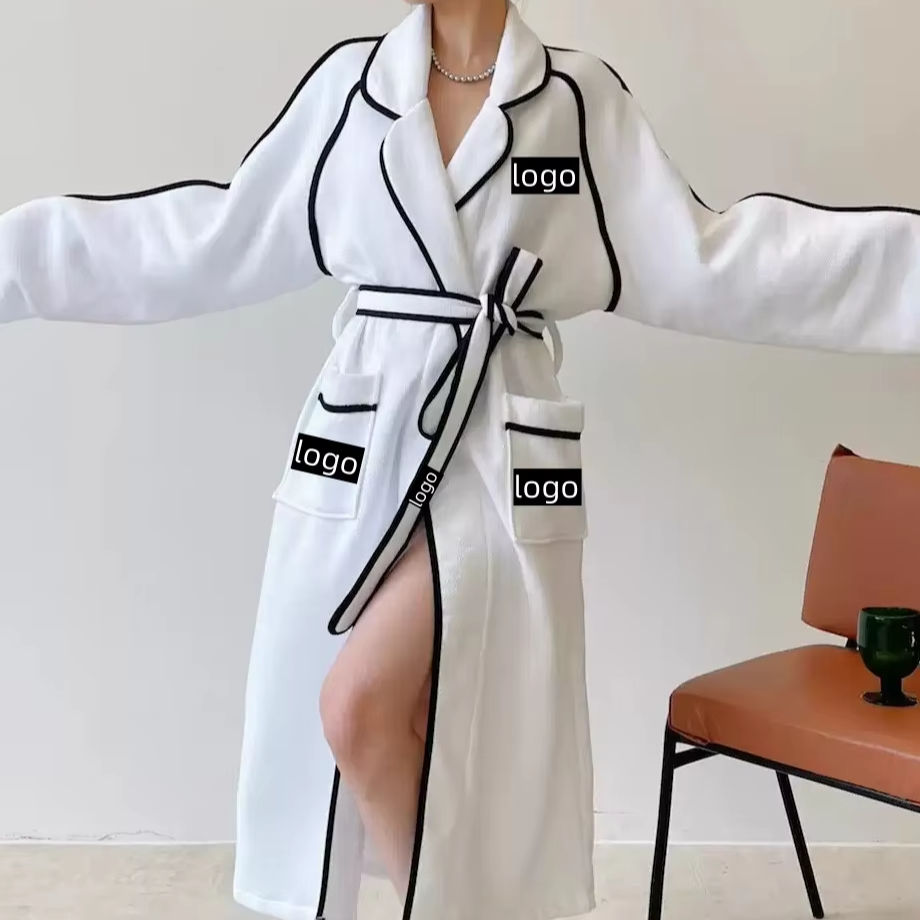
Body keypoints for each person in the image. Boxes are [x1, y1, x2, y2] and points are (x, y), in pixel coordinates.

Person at [3, 1, 920, 919]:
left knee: (363, 706)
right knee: (380, 727)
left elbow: (715, 261)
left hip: (496, 459)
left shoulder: (573, 100)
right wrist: (20, 265)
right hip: (365, 450)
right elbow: (209, 237)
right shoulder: (351, 90)